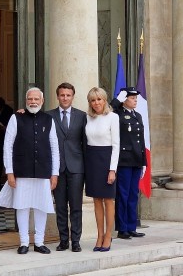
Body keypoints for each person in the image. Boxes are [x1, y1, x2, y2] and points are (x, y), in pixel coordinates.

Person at [0, 87, 59, 255]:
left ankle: (39, 242)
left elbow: (54, 148)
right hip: (21, 170)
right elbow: (7, 146)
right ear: (26, 100)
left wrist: (55, 173)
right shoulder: (16, 118)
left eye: (36, 99)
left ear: (42, 101)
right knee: (22, 206)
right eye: (30, 99)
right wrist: (9, 171)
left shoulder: (48, 120)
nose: (33, 102)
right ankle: (23, 242)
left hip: (44, 171)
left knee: (41, 206)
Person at [46, 82, 87, 252]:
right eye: (62, 95)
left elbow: (86, 142)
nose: (65, 98)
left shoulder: (82, 116)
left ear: (72, 96)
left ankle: (76, 240)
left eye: (68, 95)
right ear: (57, 96)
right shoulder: (48, 116)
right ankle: (64, 240)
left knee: (76, 206)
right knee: (60, 206)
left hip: (77, 167)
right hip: (57, 169)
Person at [84, 87, 119, 252]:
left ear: (104, 100)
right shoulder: (87, 118)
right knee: (96, 200)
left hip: (106, 159)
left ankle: (108, 235)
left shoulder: (113, 117)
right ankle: (99, 235)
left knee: (108, 200)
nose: (96, 103)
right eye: (93, 100)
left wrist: (112, 169)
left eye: (99, 99)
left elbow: (116, 145)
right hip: (91, 160)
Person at [111, 87, 147, 239]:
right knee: (123, 194)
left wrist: (144, 162)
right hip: (124, 161)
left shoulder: (137, 116)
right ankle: (122, 228)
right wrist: (117, 99)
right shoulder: (117, 115)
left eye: (136, 98)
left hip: (136, 160)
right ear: (125, 99)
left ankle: (132, 226)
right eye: (132, 98)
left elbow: (141, 140)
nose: (135, 101)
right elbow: (109, 109)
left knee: (133, 195)